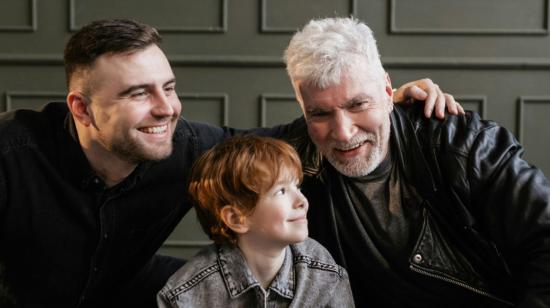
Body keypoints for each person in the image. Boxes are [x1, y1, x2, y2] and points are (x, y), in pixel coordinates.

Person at [0, 18, 460, 307]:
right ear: (81, 108)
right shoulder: (12, 157)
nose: (167, 108)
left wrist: (378, 103)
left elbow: (280, 142)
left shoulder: (184, 145)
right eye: (139, 93)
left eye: (170, 86)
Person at [283, 17, 550, 308]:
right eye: (320, 114)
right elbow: (223, 139)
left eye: (358, 104)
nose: (344, 132)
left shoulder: (462, 145)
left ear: (387, 91)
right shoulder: (297, 150)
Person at [157, 135, 354, 307]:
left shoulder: (323, 273)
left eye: (298, 186)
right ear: (236, 219)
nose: (302, 201)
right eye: (281, 191)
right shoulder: (185, 296)